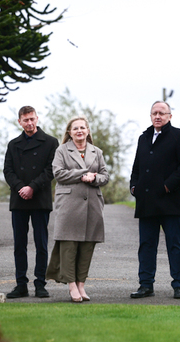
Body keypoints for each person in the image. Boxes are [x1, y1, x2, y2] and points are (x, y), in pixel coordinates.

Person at [129, 101, 180, 299]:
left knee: (175, 245)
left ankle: (179, 285)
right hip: (146, 201)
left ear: (169, 116)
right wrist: (134, 186)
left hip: (169, 201)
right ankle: (146, 284)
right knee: (146, 245)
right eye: (154, 113)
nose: (158, 116)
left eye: (162, 113)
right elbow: (137, 166)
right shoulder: (144, 137)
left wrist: (167, 186)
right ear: (150, 116)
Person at [45, 116, 109, 303]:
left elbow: (105, 175)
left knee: (87, 246)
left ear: (88, 131)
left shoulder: (96, 152)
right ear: (70, 132)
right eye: (76, 128)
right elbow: (58, 173)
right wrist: (84, 174)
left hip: (92, 205)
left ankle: (81, 285)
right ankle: (71, 285)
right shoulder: (62, 151)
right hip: (69, 205)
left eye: (83, 128)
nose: (79, 131)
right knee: (69, 246)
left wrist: (95, 178)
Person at [3, 105, 59, 298]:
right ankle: (21, 284)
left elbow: (51, 170)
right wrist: (20, 187)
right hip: (19, 200)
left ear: (37, 119)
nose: (29, 123)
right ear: (19, 121)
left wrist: (32, 187)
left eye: (32, 119)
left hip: (40, 198)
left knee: (41, 243)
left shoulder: (51, 142)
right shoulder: (13, 144)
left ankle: (40, 283)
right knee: (19, 244)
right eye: (25, 120)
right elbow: (8, 171)